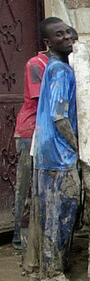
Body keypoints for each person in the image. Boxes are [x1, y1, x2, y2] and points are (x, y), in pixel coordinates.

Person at [23, 17, 85, 281]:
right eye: (59, 35)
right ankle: (56, 279)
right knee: (59, 218)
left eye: (68, 31)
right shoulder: (61, 71)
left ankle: (42, 272)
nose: (68, 37)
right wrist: (78, 148)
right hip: (59, 155)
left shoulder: (52, 68)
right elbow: (60, 115)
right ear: (48, 43)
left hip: (47, 152)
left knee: (47, 214)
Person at [11, 44, 51, 253]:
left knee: (38, 188)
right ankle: (19, 239)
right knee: (26, 188)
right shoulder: (36, 64)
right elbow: (41, 97)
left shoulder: (54, 65)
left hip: (43, 131)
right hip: (30, 131)